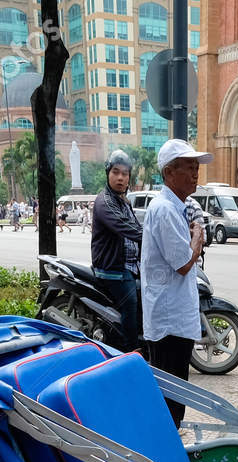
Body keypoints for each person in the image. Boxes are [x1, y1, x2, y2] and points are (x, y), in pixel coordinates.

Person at [141, 138, 212, 424]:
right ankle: (167, 444)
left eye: (197, 168)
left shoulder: (174, 207)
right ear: (169, 172)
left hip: (174, 316)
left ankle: (169, 439)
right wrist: (197, 237)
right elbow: (183, 264)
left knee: (174, 393)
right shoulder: (165, 210)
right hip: (169, 321)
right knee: (170, 398)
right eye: (189, 168)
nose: (196, 174)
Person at [91, 149, 144, 352]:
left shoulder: (124, 201)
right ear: (108, 173)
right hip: (113, 269)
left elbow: (137, 227)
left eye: (125, 173)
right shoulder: (105, 201)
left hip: (130, 266)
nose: (120, 177)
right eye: (116, 172)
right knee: (130, 302)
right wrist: (157, 238)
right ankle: (131, 351)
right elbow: (128, 229)